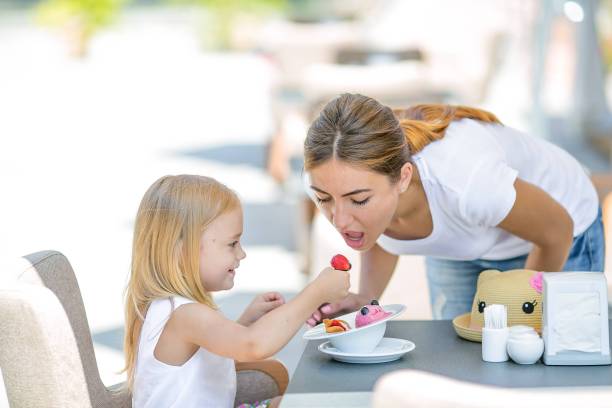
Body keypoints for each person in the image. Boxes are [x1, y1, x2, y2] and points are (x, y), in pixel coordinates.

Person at [303, 93, 603, 324]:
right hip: (468, 235)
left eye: (358, 200)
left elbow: (557, 230)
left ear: (403, 178)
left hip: (560, 228)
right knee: (458, 360)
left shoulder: (468, 182)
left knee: (537, 360)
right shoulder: (328, 176)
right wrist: (365, 298)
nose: (340, 219)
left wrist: (522, 316)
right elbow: (376, 228)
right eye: (324, 199)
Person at [123, 175, 350, 408]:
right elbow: (253, 346)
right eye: (232, 244)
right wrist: (316, 292)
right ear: (181, 250)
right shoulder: (182, 314)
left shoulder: (170, 310)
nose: (241, 254)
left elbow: (209, 359)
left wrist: (245, 323)